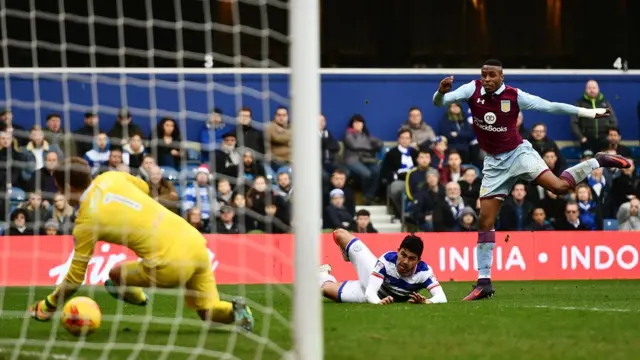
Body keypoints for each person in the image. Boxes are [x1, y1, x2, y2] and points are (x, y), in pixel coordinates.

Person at [433, 59, 631, 301]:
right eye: (484, 74)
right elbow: (440, 102)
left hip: (519, 155)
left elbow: (551, 106)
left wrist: (588, 112)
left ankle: (596, 161)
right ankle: (484, 282)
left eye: (491, 75)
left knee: (559, 187)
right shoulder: (472, 90)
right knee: (484, 221)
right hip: (494, 164)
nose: (486, 79)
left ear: (501, 76)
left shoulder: (515, 96)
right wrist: (441, 92)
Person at [29, 157, 254, 332]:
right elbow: (145, 188)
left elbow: (75, 278)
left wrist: (47, 306)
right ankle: (236, 311)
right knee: (208, 311)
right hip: (195, 242)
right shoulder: (111, 177)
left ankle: (139, 297)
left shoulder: (85, 222)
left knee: (115, 274)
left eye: (59, 188)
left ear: (67, 186)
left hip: (169, 264)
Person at [319, 229, 447, 305]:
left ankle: (324, 274)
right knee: (339, 233)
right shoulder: (386, 261)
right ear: (398, 251)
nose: (405, 261)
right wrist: (378, 302)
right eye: (403, 255)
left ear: (418, 260)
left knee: (325, 289)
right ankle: (346, 254)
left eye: (411, 258)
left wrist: (427, 302)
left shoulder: (424, 272)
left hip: (366, 293)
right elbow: (371, 292)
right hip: (372, 282)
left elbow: (441, 297)